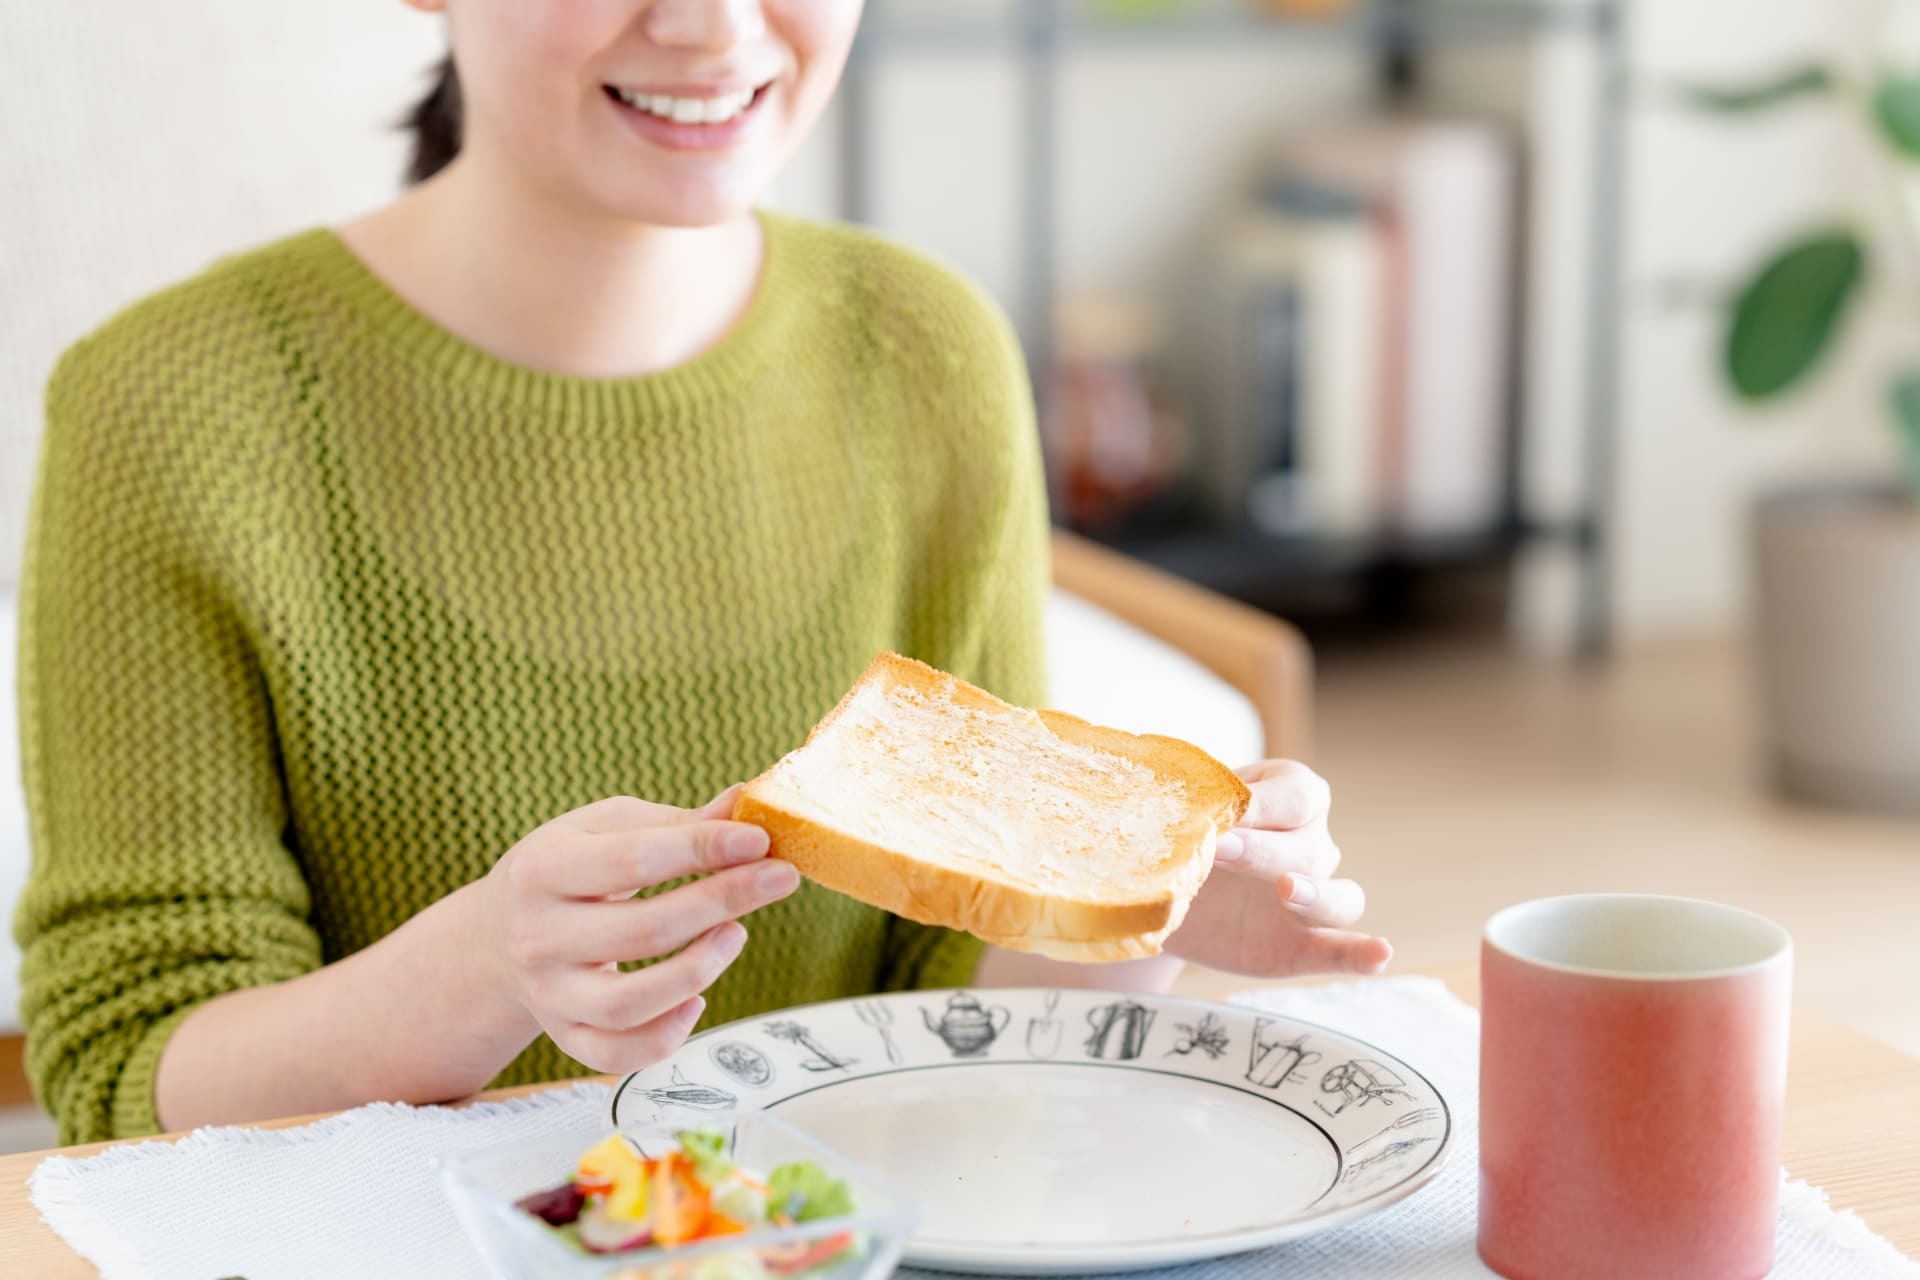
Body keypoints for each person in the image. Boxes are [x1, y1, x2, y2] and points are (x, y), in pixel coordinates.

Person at [14, 0, 1389, 1146]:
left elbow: (944, 979)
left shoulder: (930, 350)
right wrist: (487, 972)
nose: (712, 26)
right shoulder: (169, 409)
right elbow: (126, 1080)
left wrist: (1143, 911)